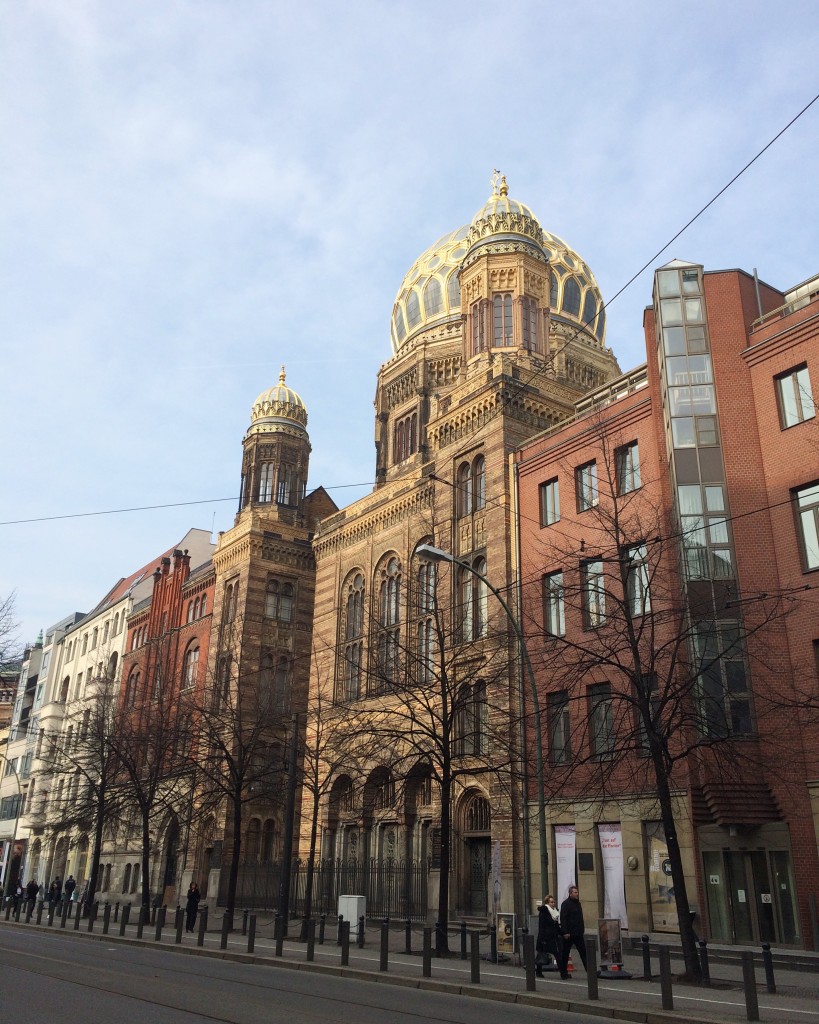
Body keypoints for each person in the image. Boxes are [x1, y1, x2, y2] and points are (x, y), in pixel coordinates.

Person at [558, 885, 588, 979]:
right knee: (565, 954)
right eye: (575, 892)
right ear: (570, 893)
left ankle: (590, 971)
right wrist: (565, 932)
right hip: (569, 934)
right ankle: (563, 973)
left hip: (578, 933)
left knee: (583, 952)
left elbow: (579, 918)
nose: (577, 894)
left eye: (577, 892)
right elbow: (563, 919)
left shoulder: (578, 904)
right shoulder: (566, 904)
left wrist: (582, 930)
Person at [535, 894, 562, 977]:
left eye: (554, 902)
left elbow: (556, 925)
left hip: (553, 937)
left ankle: (563, 973)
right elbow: (541, 926)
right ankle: (538, 972)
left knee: (558, 955)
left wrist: (562, 933)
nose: (553, 903)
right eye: (551, 902)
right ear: (547, 903)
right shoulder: (544, 912)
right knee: (541, 955)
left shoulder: (555, 912)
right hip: (545, 938)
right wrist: (542, 939)